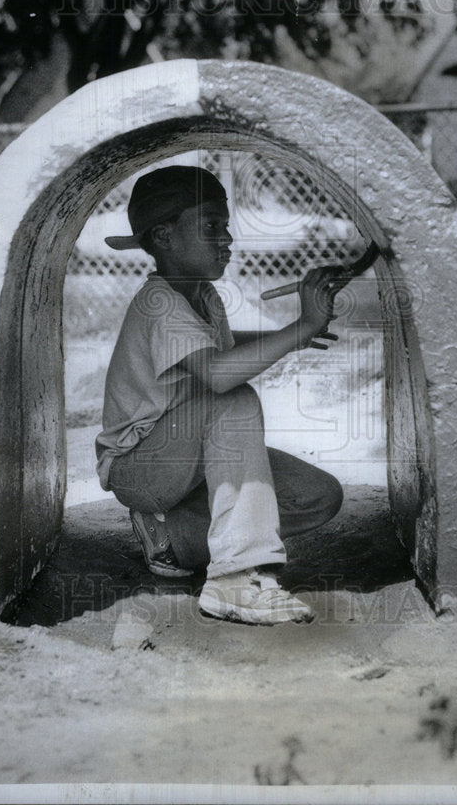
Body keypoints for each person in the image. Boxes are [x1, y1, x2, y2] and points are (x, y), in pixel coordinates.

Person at [95, 165, 347, 625]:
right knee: (232, 399)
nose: (227, 239)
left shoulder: (202, 295)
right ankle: (236, 579)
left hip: (181, 459)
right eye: (212, 226)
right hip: (140, 467)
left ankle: (170, 537)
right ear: (166, 237)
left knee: (318, 496)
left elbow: (217, 352)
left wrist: (294, 334)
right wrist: (299, 328)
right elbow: (216, 375)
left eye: (225, 227)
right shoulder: (160, 303)